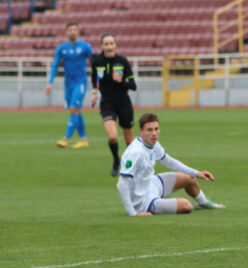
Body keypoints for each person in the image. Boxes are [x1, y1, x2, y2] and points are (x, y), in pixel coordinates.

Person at [116, 112, 225, 216]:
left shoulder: (153, 143)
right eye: (149, 130)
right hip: (143, 202)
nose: (154, 133)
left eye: (156, 129)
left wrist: (197, 173)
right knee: (186, 206)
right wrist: (133, 213)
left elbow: (168, 161)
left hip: (152, 184)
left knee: (189, 179)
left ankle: (205, 203)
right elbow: (122, 184)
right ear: (141, 131)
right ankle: (191, 206)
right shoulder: (135, 152)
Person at [91, 33, 137, 176]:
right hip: (107, 103)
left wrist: (120, 81)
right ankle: (116, 159)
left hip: (123, 102)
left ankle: (130, 164)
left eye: (111, 43)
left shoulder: (122, 61)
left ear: (115, 45)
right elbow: (94, 79)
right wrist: (94, 93)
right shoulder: (97, 62)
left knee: (129, 140)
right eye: (106, 44)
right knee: (112, 137)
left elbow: (133, 85)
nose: (109, 46)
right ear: (102, 46)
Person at [45, 22, 93, 148]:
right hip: (68, 84)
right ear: (66, 32)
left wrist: (98, 80)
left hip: (81, 82)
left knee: (73, 109)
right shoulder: (61, 48)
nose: (73, 32)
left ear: (78, 32)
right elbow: (55, 65)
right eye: (70, 30)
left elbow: (95, 63)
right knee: (76, 110)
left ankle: (66, 139)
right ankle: (83, 140)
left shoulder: (85, 47)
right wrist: (50, 82)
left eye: (75, 30)